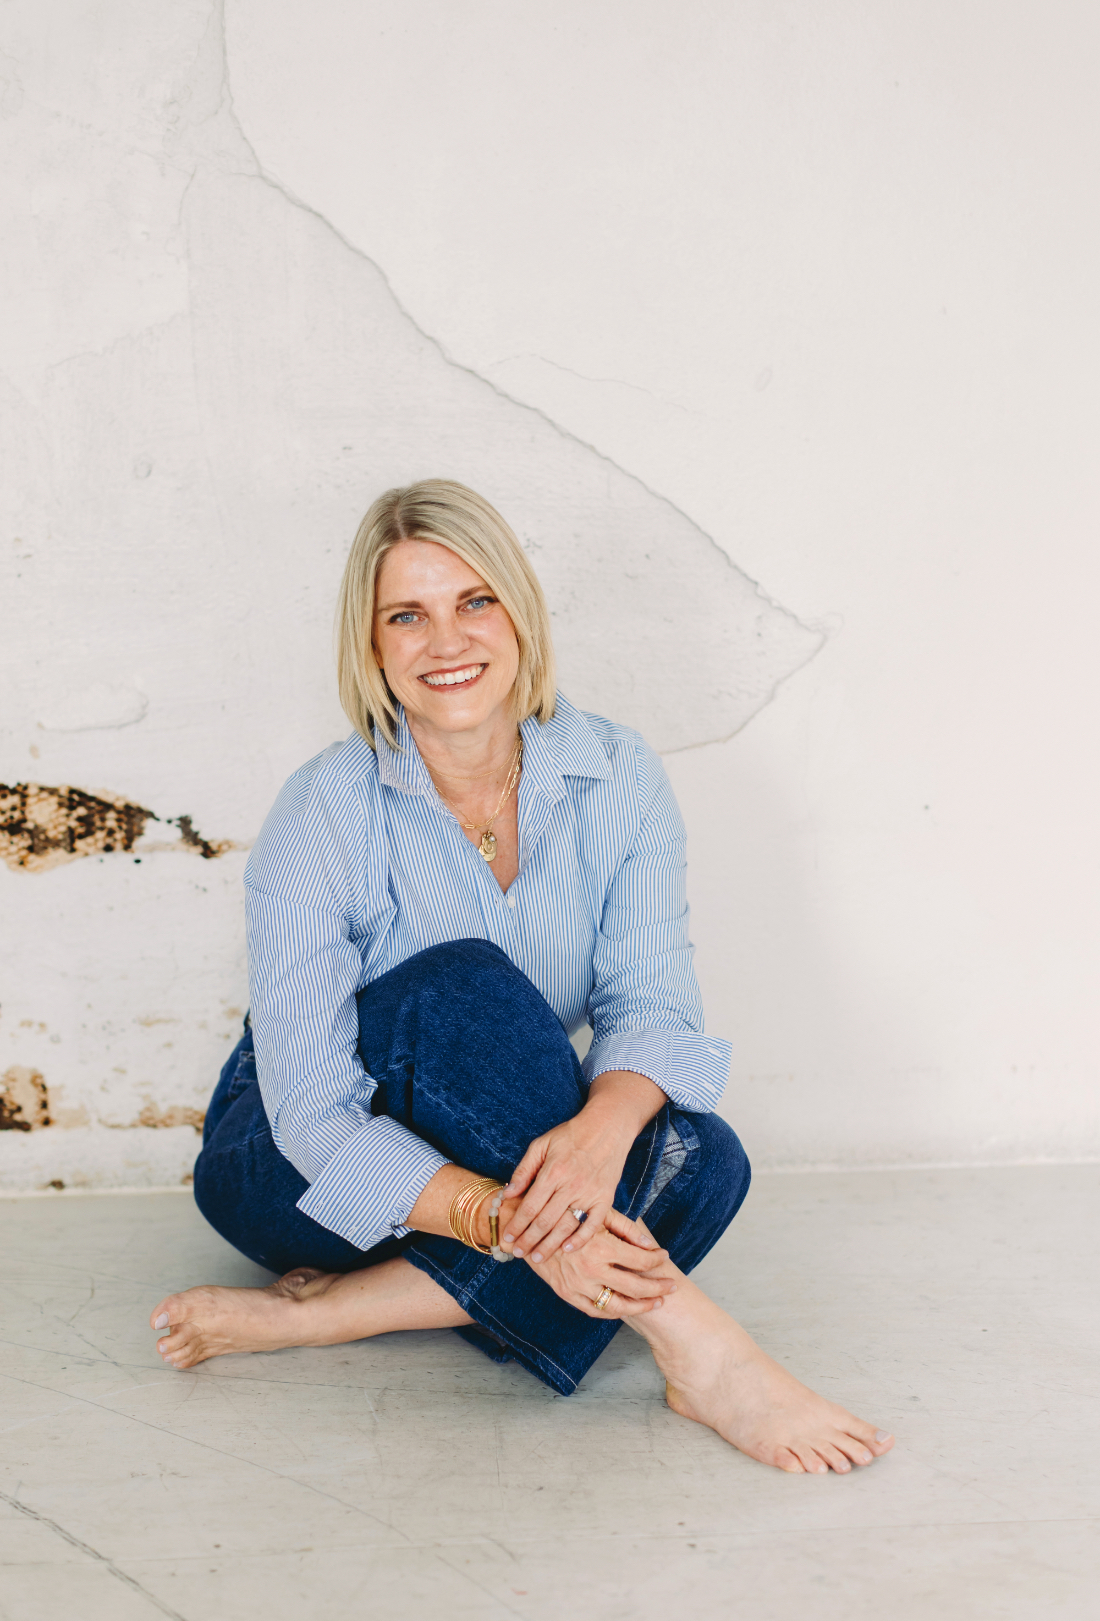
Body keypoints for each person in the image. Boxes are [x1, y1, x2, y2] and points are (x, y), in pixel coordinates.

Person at [150, 479, 893, 1477]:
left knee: (704, 1156)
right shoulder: (322, 809)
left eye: (474, 601)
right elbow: (314, 1115)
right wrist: (510, 1219)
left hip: (483, 1148)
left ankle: (330, 1315)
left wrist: (597, 1138)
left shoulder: (617, 773)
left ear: (519, 612)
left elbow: (651, 1005)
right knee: (464, 984)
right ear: (370, 644)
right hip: (290, 1163)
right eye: (406, 616)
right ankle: (702, 1347)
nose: (445, 641)